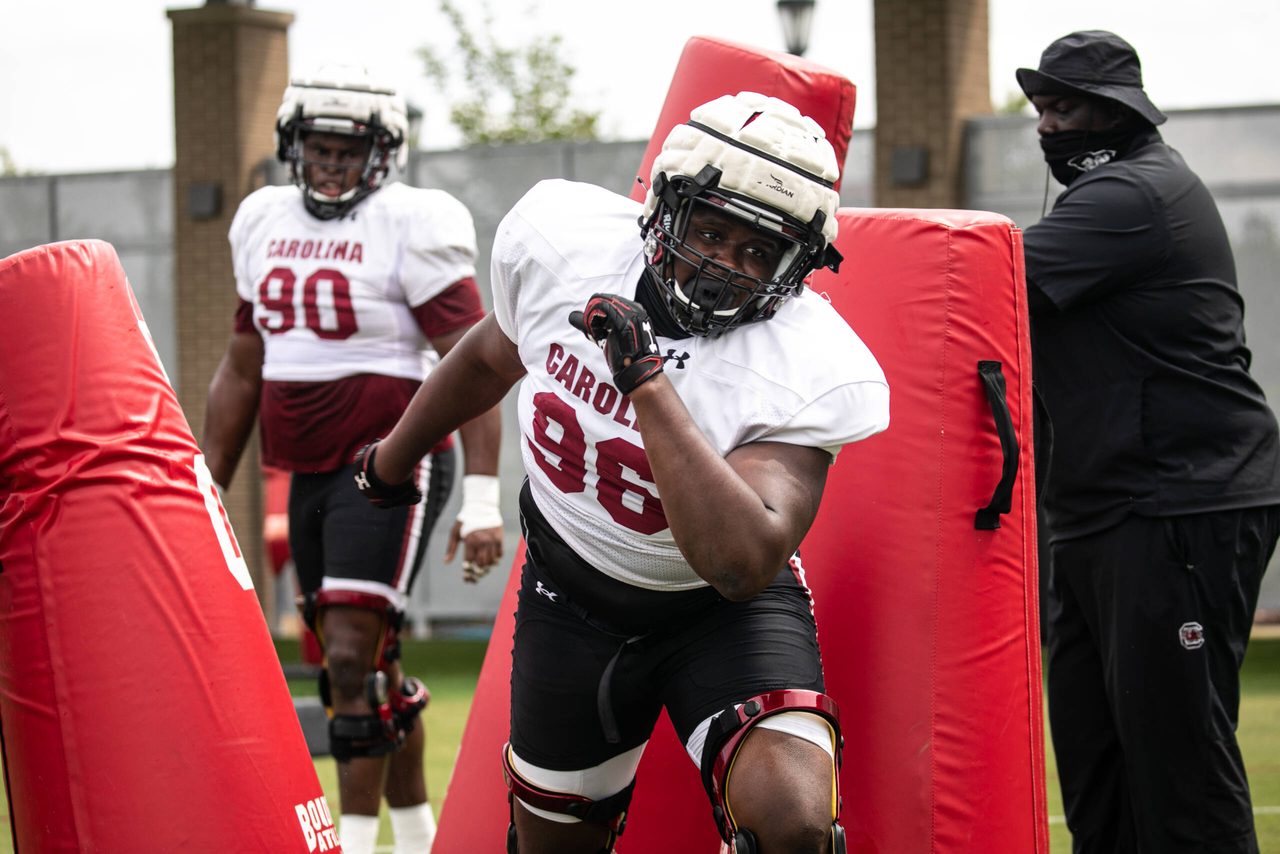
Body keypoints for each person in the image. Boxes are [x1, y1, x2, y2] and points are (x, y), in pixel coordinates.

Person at [353, 91, 889, 854]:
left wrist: (647, 383)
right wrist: (391, 460)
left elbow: (740, 565)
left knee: (796, 827)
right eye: (710, 230)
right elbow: (487, 357)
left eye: (757, 250)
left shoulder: (808, 362)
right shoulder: (563, 245)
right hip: (569, 599)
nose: (724, 267)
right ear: (664, 208)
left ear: (796, 265)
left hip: (719, 615)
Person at [201, 62, 504, 854]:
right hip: (302, 467)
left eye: (349, 149)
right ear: (291, 147)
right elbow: (241, 366)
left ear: (384, 153)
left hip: (391, 463)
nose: (333, 164)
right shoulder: (260, 218)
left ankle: (347, 841)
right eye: (318, 147)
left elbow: (473, 361)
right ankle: (416, 836)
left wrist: (480, 497)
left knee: (344, 653)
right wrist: (205, 484)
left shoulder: (413, 221)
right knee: (366, 660)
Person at [1019, 31, 1280, 854]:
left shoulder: (1135, 194)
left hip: (1182, 502)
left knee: (1180, 772)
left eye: (1063, 109)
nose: (1046, 128)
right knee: (1098, 771)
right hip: (1104, 511)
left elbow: (987, 279)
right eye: (1040, 109)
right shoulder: (1099, 201)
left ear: (1111, 114)